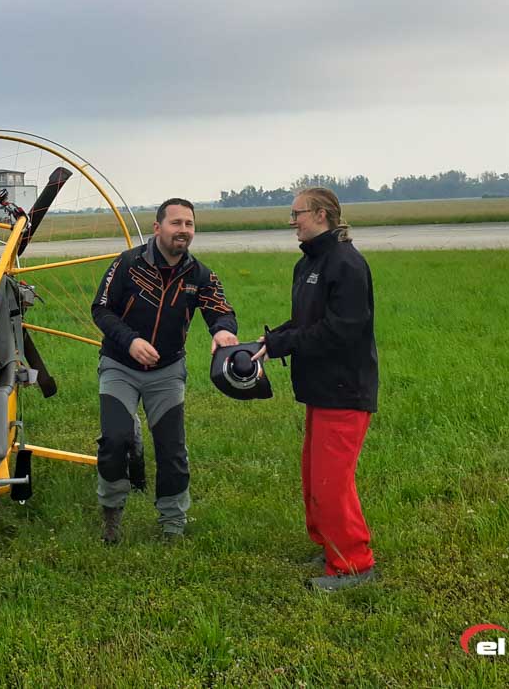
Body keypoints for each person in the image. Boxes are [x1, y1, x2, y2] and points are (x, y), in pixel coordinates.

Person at [91, 198, 238, 543]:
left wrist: (222, 330)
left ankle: (172, 525)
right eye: (176, 223)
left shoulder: (199, 274)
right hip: (120, 366)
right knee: (115, 440)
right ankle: (111, 516)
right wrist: (130, 341)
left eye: (189, 224)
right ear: (157, 227)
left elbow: (221, 310)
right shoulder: (127, 264)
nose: (183, 230)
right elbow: (101, 309)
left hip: (167, 371)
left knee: (172, 449)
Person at [259, 187, 379, 591]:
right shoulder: (308, 263)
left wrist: (285, 345)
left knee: (332, 484)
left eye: (298, 214)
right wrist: (269, 342)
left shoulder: (346, 263)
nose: (292, 221)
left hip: (344, 390)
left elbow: (341, 331)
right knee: (314, 477)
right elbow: (304, 322)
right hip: (320, 390)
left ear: (322, 215)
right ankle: (330, 546)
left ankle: (354, 566)